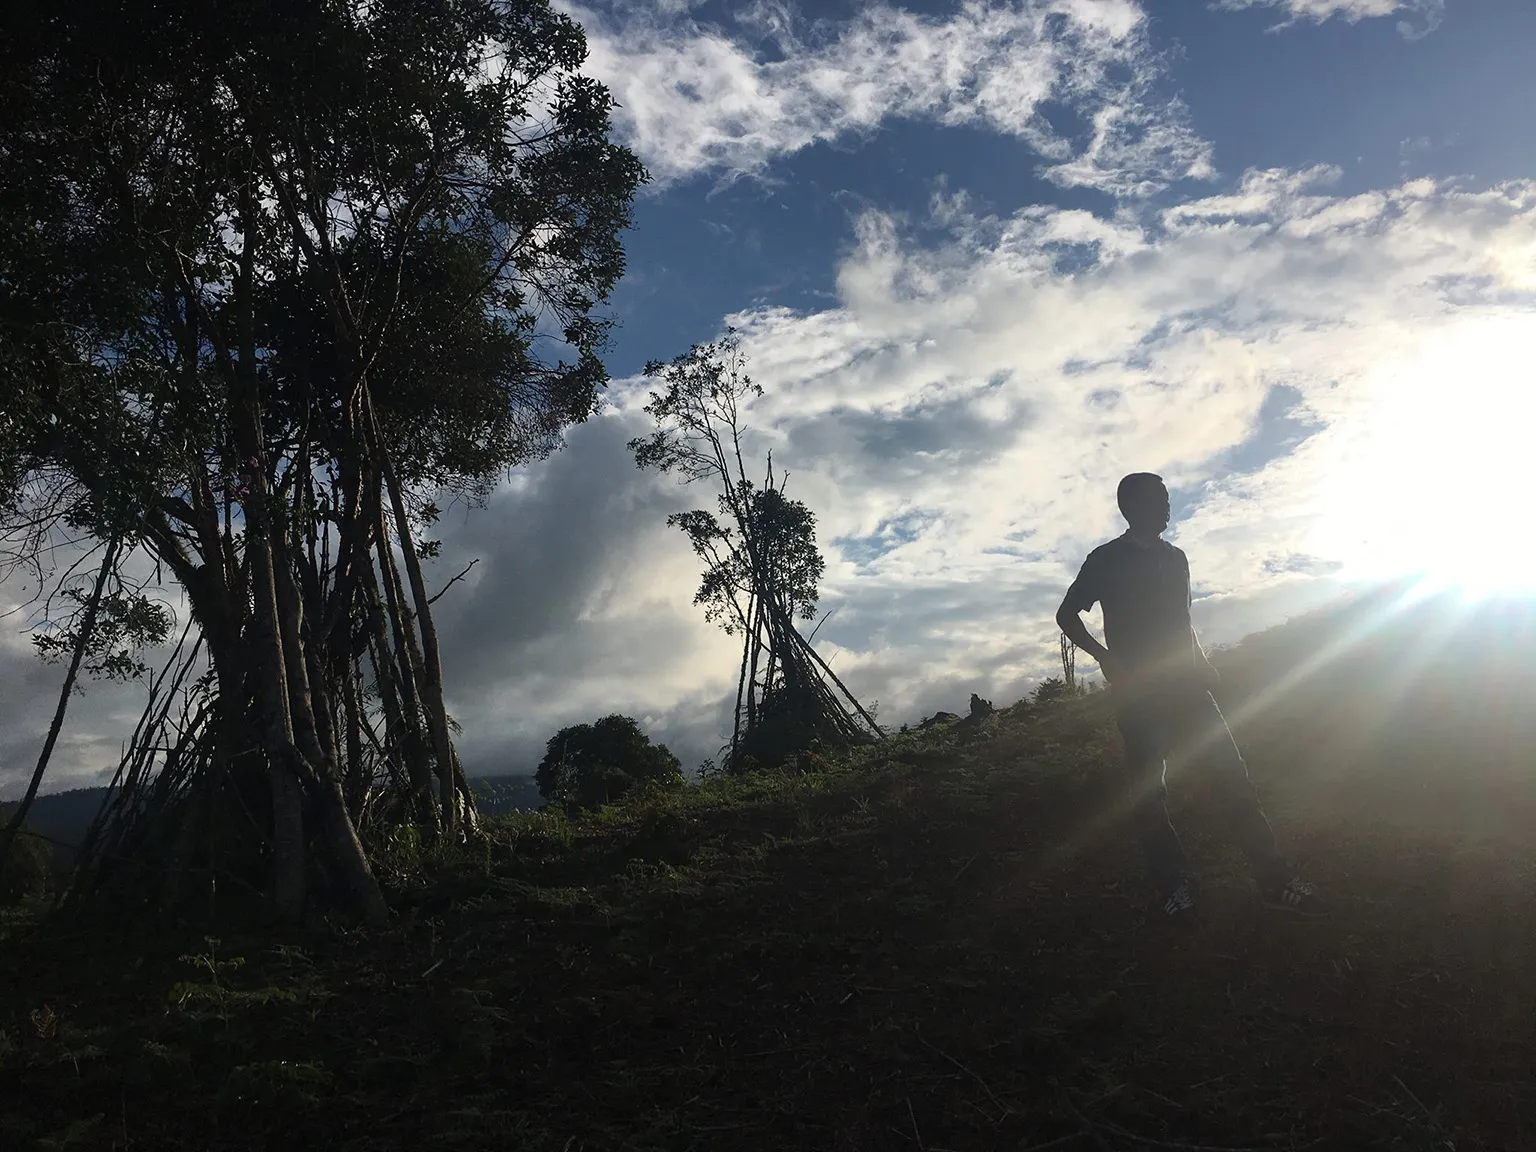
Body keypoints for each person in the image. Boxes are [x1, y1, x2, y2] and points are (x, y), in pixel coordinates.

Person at [1055, 472, 1322, 918]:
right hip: (1139, 695)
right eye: (1158, 499)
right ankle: (1173, 888)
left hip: (1190, 689)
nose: (1167, 506)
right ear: (1131, 507)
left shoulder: (1177, 558)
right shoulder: (1105, 559)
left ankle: (1275, 882)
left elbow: (1183, 620)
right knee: (1149, 795)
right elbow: (1067, 615)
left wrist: (1203, 665)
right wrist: (1105, 657)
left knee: (1234, 781)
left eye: (1166, 498)